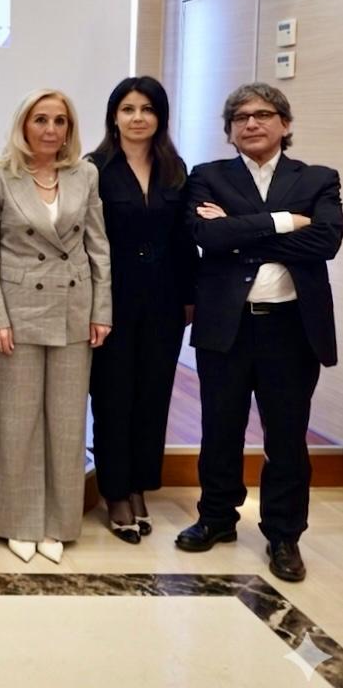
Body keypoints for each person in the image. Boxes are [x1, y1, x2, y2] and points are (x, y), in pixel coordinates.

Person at [175, 82, 341, 583]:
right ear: (229, 131)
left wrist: (240, 230)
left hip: (291, 328)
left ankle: (284, 534)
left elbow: (326, 242)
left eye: (263, 114)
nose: (251, 123)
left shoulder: (318, 178)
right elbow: (207, 235)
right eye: (240, 117)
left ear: (284, 124)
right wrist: (287, 222)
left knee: (286, 435)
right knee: (219, 428)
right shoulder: (208, 176)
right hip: (227, 324)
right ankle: (216, 517)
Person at [0, 89, 112, 564]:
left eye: (60, 121)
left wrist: (101, 309)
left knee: (67, 423)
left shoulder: (85, 175)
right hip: (16, 312)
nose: (51, 129)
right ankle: (17, 521)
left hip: (74, 307)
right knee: (16, 422)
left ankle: (58, 522)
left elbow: (98, 246)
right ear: (24, 125)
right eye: (41, 120)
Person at [87, 77, 197, 543]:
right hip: (110, 301)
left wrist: (190, 297)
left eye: (147, 109)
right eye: (128, 109)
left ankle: (139, 486)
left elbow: (185, 239)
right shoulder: (93, 168)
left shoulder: (175, 168)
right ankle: (115, 491)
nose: (138, 118)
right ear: (114, 116)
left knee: (153, 396)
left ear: (160, 117)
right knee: (113, 396)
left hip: (165, 301)